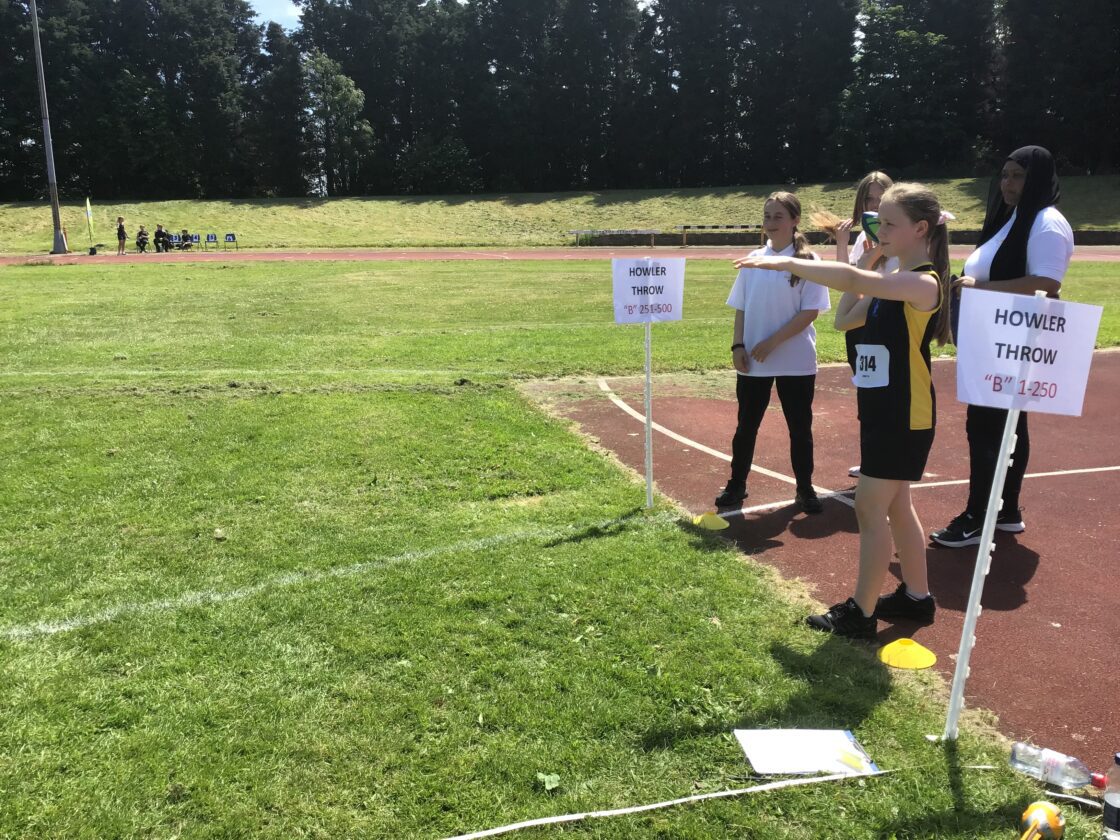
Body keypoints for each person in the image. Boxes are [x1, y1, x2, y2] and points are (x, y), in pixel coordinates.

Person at [735, 183, 953, 639]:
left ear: (920, 229)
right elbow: (844, 318)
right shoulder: (890, 282)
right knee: (897, 506)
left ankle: (861, 612)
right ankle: (916, 597)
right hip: (882, 408)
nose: (878, 231)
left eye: (888, 223)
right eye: (877, 222)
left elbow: (851, 283)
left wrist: (787, 262)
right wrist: (869, 262)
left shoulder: (921, 283)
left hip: (903, 413)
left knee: (870, 508)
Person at [929, 146, 1074, 548]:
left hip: (1013, 342)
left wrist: (983, 287)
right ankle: (1005, 509)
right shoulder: (1015, 216)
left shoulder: (1046, 222)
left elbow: (1047, 282)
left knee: (987, 428)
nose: (1008, 184)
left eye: (1018, 176)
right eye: (1005, 175)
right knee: (1008, 426)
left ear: (1038, 179)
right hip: (995, 339)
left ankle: (978, 516)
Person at [715, 191, 831, 515]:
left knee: (800, 428)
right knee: (746, 426)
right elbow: (740, 306)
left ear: (795, 220)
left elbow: (810, 312)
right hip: (754, 359)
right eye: (767, 216)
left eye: (778, 216)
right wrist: (738, 345)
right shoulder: (754, 259)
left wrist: (773, 342)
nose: (771, 222)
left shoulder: (809, 261)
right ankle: (736, 484)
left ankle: (805, 488)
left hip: (796, 361)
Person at [812, 171, 900, 479]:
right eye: (868, 199)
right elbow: (846, 281)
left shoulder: (898, 236)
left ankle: (890, 463)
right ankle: (870, 460)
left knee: (887, 394)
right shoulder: (864, 237)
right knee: (866, 394)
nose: (874, 205)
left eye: (880, 198)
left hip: (886, 321)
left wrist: (877, 256)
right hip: (859, 324)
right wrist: (842, 243)